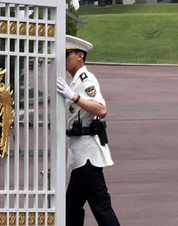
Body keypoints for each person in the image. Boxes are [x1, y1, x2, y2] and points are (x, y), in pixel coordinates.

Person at [55, 35, 121, 226]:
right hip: (80, 156)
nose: (64, 58)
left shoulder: (86, 80)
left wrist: (73, 96)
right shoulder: (75, 81)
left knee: (101, 208)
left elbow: (101, 110)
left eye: (67, 54)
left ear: (80, 56)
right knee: (71, 208)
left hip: (88, 156)